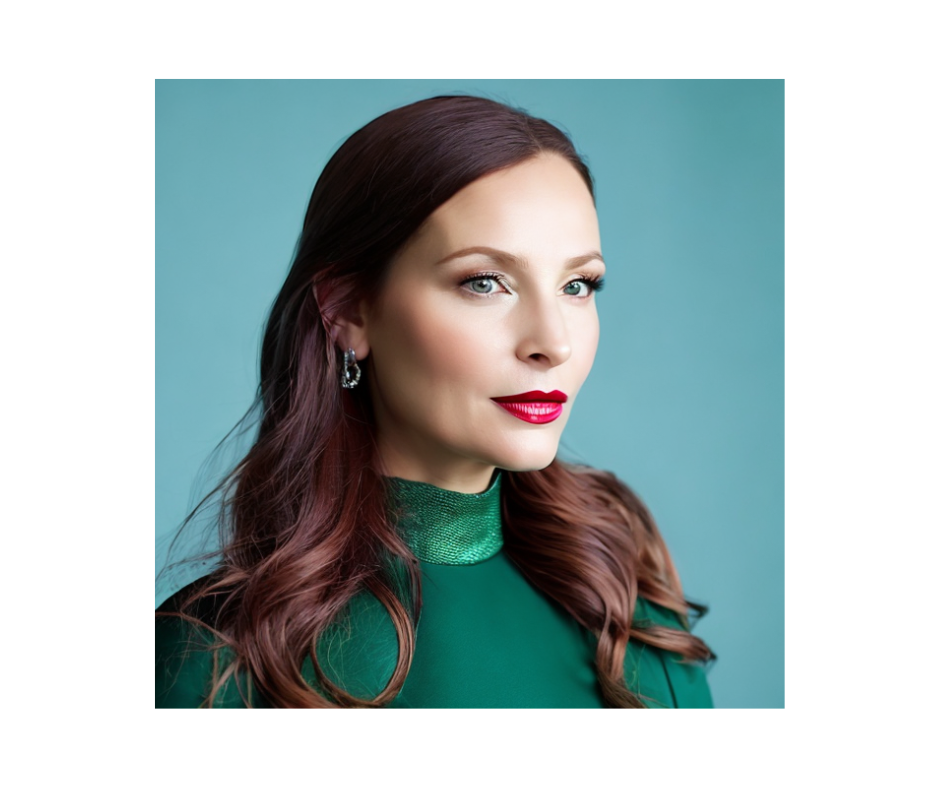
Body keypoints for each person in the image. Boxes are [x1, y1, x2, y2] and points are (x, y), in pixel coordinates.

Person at [153, 95, 716, 709]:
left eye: (577, 285)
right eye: (484, 282)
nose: (553, 342)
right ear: (346, 310)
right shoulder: (211, 660)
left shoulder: (622, 596)